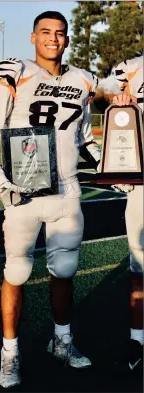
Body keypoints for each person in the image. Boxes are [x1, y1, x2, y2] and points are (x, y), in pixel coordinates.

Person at [0, 11, 101, 388]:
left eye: (60, 33)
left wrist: (119, 165)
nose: (53, 39)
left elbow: (83, 138)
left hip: (67, 189)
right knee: (16, 271)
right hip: (24, 191)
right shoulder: (17, 71)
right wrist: (0, 184)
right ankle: (9, 353)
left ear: (67, 39)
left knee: (64, 270)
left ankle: (62, 342)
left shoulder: (82, 80)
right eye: (45, 32)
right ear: (32, 37)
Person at [112, 52, 143, 371]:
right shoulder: (131, 68)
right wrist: (121, 101)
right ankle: (138, 339)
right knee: (139, 265)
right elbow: (107, 94)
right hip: (142, 182)